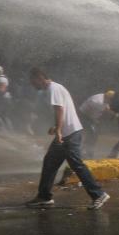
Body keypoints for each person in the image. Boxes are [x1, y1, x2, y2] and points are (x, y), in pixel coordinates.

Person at [24, 68, 110, 210]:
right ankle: (44, 197)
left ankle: (99, 194)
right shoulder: (53, 88)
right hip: (66, 133)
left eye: (33, 81)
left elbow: (60, 109)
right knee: (50, 162)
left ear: (39, 78)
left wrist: (58, 129)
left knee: (76, 164)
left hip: (69, 134)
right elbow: (62, 110)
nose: (32, 84)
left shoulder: (53, 88)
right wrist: (56, 127)